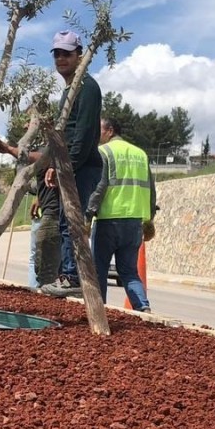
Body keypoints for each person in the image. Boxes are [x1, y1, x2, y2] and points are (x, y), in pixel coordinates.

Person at [0, 30, 102, 298]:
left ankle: (71, 277)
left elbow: (84, 135)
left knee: (71, 223)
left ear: (80, 55)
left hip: (83, 166)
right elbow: (66, 135)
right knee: (67, 222)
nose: (61, 58)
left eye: (67, 53)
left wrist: (65, 167)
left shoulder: (87, 87)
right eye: (57, 54)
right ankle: (68, 276)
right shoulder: (70, 89)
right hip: (72, 164)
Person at [86, 117, 156, 312]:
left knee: (98, 270)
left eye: (98, 129)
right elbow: (151, 188)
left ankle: (99, 311)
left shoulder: (104, 152)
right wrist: (149, 219)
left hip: (109, 219)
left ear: (109, 130)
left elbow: (100, 187)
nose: (96, 134)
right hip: (134, 222)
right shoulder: (140, 154)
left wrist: (88, 215)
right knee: (129, 271)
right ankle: (143, 307)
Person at [28, 160, 61, 289]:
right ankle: (36, 290)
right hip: (44, 213)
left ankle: (37, 290)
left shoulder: (51, 156)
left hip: (50, 214)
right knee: (39, 260)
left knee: (39, 260)